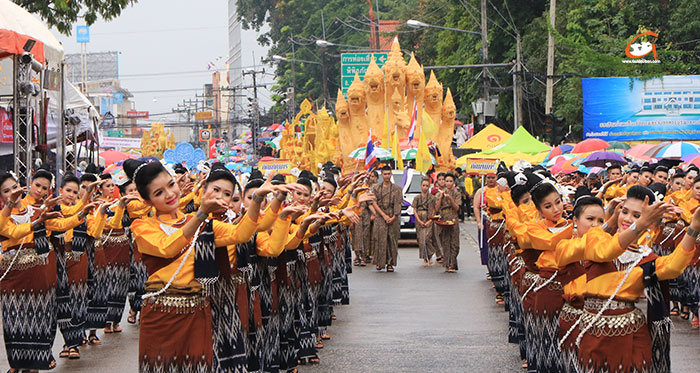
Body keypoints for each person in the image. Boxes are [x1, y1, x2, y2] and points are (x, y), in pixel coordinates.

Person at [124, 158, 271, 372]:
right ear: (146, 201)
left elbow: (242, 233)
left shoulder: (202, 223)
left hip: (196, 311)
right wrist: (201, 214)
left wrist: (257, 199)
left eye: (171, 185)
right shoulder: (143, 226)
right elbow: (167, 248)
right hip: (161, 316)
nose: (170, 194)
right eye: (158, 193)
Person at [575, 185, 695, 373]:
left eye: (637, 216)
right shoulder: (597, 238)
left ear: (650, 223)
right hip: (594, 332)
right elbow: (601, 249)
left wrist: (694, 229)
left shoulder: (645, 258)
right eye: (625, 211)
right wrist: (621, 219)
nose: (628, 219)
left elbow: (673, 266)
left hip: (631, 333)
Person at [0, 170, 99, 372]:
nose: (12, 192)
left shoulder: (39, 210)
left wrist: (82, 211)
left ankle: (37, 362)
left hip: (41, 269)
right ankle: (18, 363)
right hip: (14, 274)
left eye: (14, 188)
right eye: (6, 191)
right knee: (14, 318)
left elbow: (62, 223)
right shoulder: (8, 214)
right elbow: (10, 231)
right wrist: (21, 212)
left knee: (40, 314)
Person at [371, 165, 402, 272]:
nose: (387, 176)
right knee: (379, 238)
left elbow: (398, 204)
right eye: (385, 174)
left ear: (391, 174)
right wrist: (383, 215)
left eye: (389, 174)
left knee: (391, 240)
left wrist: (393, 216)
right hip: (380, 216)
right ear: (381, 175)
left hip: (393, 215)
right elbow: (374, 202)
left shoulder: (397, 189)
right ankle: (380, 263)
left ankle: (390, 263)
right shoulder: (376, 188)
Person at [434, 173, 462, 272]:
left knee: (454, 242)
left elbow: (457, 208)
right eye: (447, 181)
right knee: (445, 241)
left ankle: (452, 264)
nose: (448, 183)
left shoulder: (457, 193)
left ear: (454, 183)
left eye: (450, 181)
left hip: (453, 216)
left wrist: (450, 199)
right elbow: (436, 209)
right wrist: (441, 198)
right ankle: (447, 263)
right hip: (444, 217)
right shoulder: (439, 194)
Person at [412, 177, 436, 266]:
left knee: (427, 238)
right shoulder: (417, 198)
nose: (425, 187)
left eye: (427, 186)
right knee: (421, 240)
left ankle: (430, 255)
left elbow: (434, 210)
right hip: (420, 218)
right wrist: (418, 220)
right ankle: (425, 258)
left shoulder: (432, 198)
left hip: (429, 218)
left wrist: (430, 220)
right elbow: (414, 209)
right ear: (420, 186)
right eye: (423, 185)